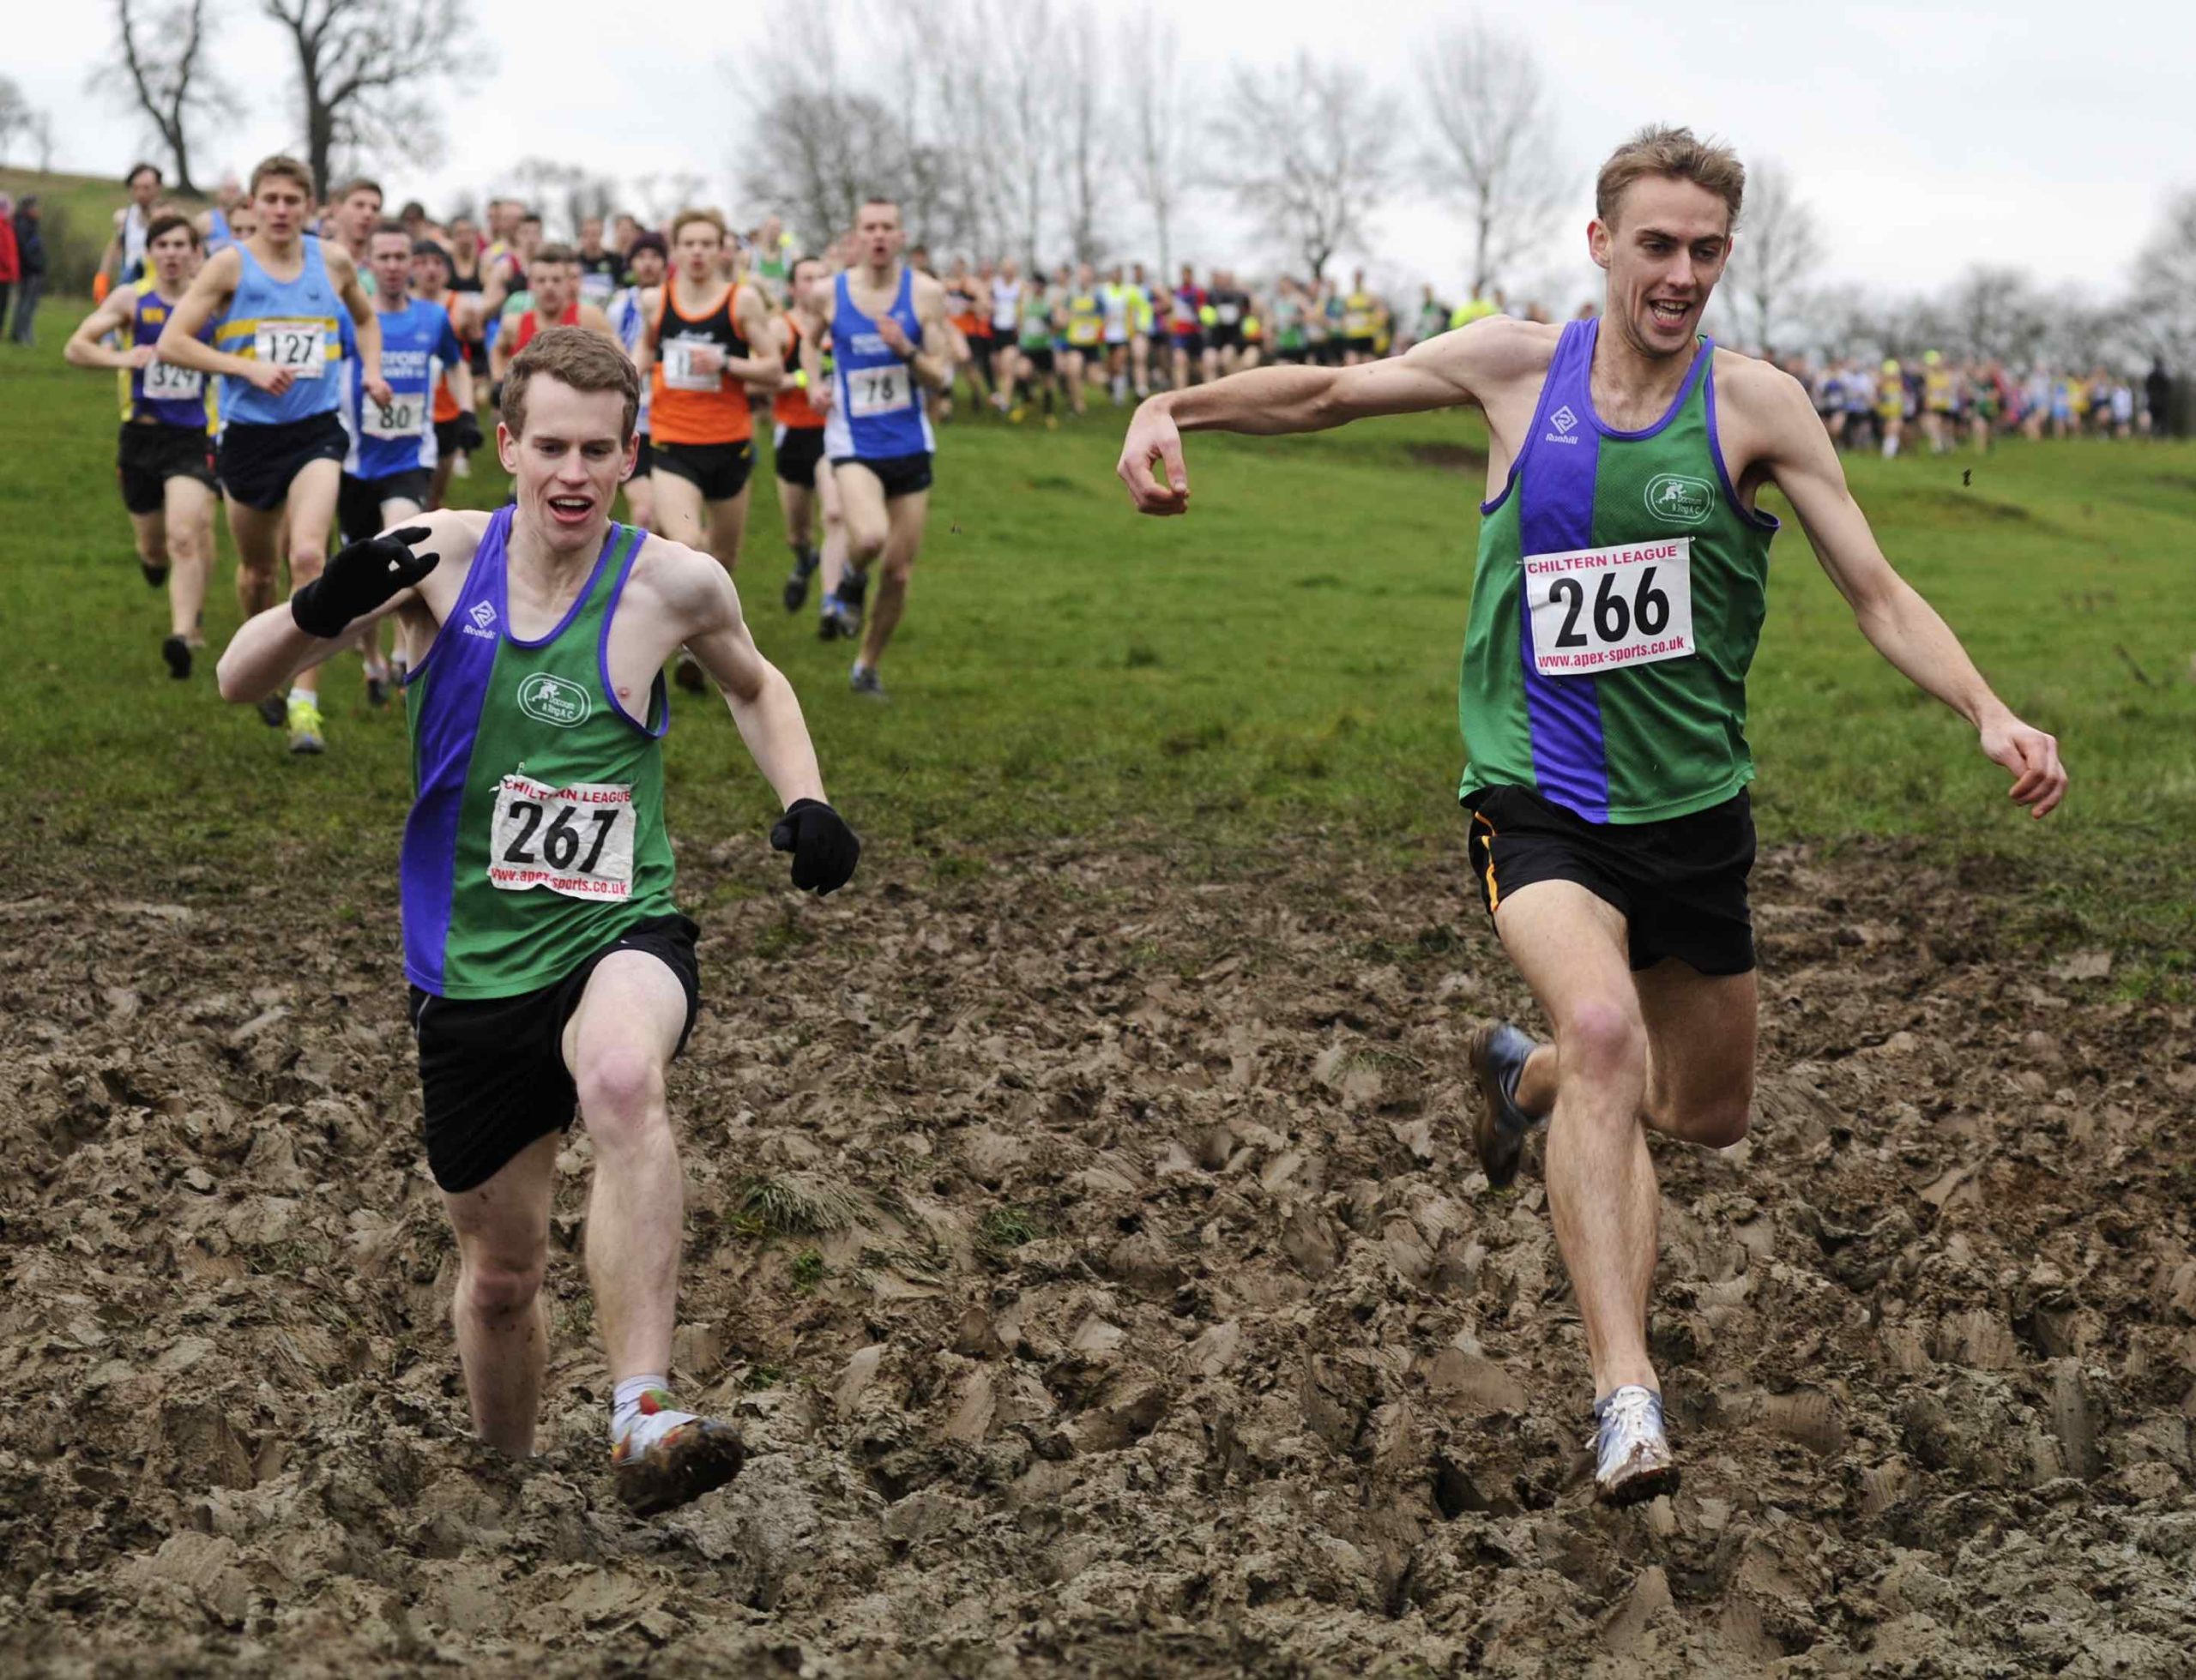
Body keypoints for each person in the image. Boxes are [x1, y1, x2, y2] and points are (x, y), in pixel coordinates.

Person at [1116, 123, 2067, 1506]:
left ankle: (1528, 1076)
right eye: (1657, 244)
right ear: (1602, 242)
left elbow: (1876, 588)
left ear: (1726, 255)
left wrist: (1986, 706)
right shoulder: (1515, 367)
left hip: (1695, 819)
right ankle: (1627, 1394)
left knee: (1709, 1106)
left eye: (1706, 250)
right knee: (1611, 1027)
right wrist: (1176, 406)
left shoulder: (1759, 407)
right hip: (1539, 798)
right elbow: (1328, 393)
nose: (1680, 273)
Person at [213, 325, 861, 1513]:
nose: (572, 472)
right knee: (502, 1275)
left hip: (621, 929)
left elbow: (759, 685)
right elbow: (238, 678)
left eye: (598, 451)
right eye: (550, 445)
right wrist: (322, 605)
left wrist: (808, 798)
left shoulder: (675, 582)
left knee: (622, 1079)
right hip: (467, 965)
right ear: (507, 444)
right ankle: (507, 1478)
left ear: (629, 458)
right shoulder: (436, 557)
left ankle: (643, 1407)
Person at [157, 153, 388, 755]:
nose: (281, 210)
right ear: (254, 204)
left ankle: (305, 706)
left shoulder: (332, 262)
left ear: (309, 207)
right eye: (271, 199)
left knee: (309, 555)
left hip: (316, 431)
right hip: (249, 437)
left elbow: (366, 320)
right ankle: (260, 658)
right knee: (258, 573)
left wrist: (373, 371)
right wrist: (244, 368)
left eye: (293, 200)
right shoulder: (229, 266)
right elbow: (172, 342)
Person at [805, 197, 950, 697]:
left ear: (901, 236)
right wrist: (813, 385)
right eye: (871, 227)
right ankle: (847, 579)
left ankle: (866, 665)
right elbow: (808, 341)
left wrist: (905, 350)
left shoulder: (927, 294)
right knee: (867, 537)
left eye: (889, 227)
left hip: (910, 443)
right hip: (854, 441)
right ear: (858, 236)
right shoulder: (829, 292)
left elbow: (941, 374)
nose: (880, 236)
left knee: (899, 573)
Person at [63, 213, 220, 677]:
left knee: (185, 536)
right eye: (163, 245)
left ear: (196, 254)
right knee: (154, 548)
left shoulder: (210, 305)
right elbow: (76, 346)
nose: (172, 253)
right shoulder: (132, 300)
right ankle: (151, 563)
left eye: (181, 245)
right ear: (150, 253)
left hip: (191, 437)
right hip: (141, 437)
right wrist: (121, 357)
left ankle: (182, 635)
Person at [636, 208, 782, 641]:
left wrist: (727, 363)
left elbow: (774, 369)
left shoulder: (742, 301)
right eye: (689, 244)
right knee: (688, 546)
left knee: (723, 557)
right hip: (672, 442)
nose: (698, 252)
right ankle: (685, 643)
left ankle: (700, 635)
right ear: (675, 250)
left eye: (707, 243)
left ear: (721, 250)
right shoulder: (656, 301)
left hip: (729, 445)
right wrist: (624, 380)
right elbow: (645, 351)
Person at [341, 221, 474, 700]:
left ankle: (402, 654)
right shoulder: (349, 319)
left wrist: (466, 412)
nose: (395, 267)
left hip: (408, 458)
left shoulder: (432, 319)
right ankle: (372, 659)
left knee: (398, 546)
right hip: (355, 463)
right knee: (356, 568)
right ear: (369, 263)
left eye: (403, 258)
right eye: (386, 257)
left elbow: (456, 366)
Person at [772, 256, 845, 622]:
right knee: (797, 532)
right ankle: (804, 561)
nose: (814, 284)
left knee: (834, 513)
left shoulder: (841, 324)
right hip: (792, 434)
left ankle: (831, 601)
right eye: (806, 278)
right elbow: (760, 381)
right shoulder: (781, 328)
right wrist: (803, 380)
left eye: (821, 277)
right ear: (792, 288)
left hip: (831, 432)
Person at [606, 232, 667, 533]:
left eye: (655, 257)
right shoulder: (620, 305)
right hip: (634, 418)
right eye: (642, 257)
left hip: (670, 417)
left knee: (668, 520)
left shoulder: (676, 301)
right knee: (644, 513)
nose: (648, 264)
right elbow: (607, 347)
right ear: (632, 263)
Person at [102, 162, 166, 288]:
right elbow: (114, 248)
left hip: (158, 282)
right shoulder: (125, 217)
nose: (141, 193)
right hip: (130, 281)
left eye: (146, 188)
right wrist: (102, 277)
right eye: (136, 188)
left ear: (158, 188)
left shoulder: (168, 218)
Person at [9, 194, 44, 345]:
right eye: (35, 206)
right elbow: (25, 251)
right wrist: (35, 265)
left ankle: (23, 334)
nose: (38, 209)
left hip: (33, 271)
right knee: (26, 304)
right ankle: (20, 335)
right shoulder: (23, 225)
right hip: (29, 272)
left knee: (28, 304)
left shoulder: (30, 224)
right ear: (28, 209)